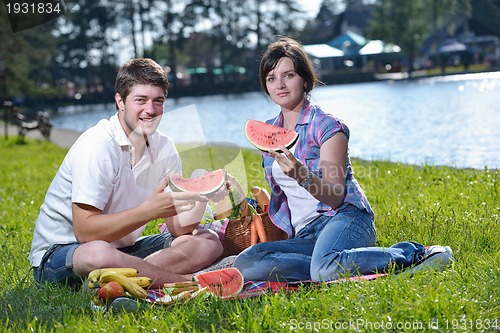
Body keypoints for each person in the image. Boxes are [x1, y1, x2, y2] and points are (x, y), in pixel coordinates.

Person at [233, 36, 455, 282]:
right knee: (246, 262)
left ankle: (413, 253)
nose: (280, 85)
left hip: (345, 219)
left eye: (289, 75)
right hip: (306, 235)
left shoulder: (328, 127)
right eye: (271, 78)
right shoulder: (269, 131)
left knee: (324, 268)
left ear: (305, 79)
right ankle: (336, 264)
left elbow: (336, 196)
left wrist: (302, 175)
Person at [29, 58, 226, 289]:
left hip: (122, 250)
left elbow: (178, 228)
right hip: (63, 253)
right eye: (140, 100)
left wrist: (201, 196)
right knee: (99, 254)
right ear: (120, 101)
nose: (150, 110)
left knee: (207, 241)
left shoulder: (164, 147)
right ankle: (186, 282)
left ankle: (124, 278)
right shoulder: (98, 145)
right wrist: (149, 211)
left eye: (158, 101)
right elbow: (85, 232)